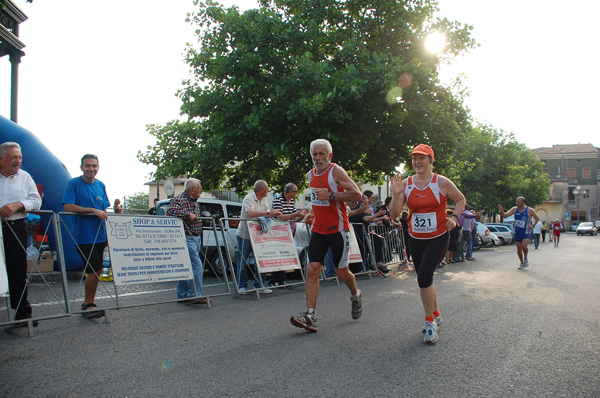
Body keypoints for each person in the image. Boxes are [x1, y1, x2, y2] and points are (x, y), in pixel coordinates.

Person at [390, 143, 466, 344]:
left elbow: (460, 199)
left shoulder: (441, 182)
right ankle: (436, 312)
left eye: (422, 158)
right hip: (415, 237)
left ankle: (429, 322)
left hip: (438, 236)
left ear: (431, 161)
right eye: (414, 158)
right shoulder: (406, 184)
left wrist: (455, 217)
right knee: (425, 279)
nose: (417, 162)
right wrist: (397, 194)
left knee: (424, 277)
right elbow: (394, 213)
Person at [290, 139, 363, 333]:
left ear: (330, 156)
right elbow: (317, 201)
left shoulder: (336, 171)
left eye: (322, 154)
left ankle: (356, 295)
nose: (318, 158)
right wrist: (311, 214)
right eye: (315, 154)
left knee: (341, 273)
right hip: (319, 230)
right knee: (313, 268)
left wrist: (331, 195)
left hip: (339, 230)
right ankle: (310, 315)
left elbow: (356, 194)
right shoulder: (310, 175)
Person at [62, 154, 111, 319]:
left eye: (94, 166)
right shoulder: (74, 183)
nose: (91, 169)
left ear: (98, 167)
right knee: (95, 268)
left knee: (97, 270)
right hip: (83, 236)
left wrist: (109, 235)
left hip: (100, 236)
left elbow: (104, 211)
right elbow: (67, 206)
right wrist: (91, 210)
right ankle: (88, 304)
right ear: (81, 167)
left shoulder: (101, 185)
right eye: (88, 166)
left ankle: (89, 303)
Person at [0, 142, 42, 327]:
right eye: (13, 157)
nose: (18, 161)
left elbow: (36, 201)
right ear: (1, 159)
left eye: (20, 157)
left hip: (15, 226)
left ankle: (22, 313)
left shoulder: (25, 177)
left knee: (17, 270)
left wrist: (17, 205)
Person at [167, 178, 209, 304]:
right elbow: (170, 211)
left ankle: (183, 295)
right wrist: (187, 214)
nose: (201, 190)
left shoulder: (195, 201)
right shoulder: (180, 199)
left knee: (187, 266)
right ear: (192, 189)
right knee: (196, 265)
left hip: (195, 236)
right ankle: (194, 294)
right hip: (187, 236)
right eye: (199, 187)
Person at [236, 180, 282, 294]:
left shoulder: (264, 199)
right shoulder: (249, 198)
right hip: (245, 234)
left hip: (258, 235)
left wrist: (273, 213)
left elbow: (267, 212)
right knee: (242, 261)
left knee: (261, 260)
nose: (268, 191)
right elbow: (251, 213)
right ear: (261, 190)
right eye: (267, 189)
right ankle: (242, 286)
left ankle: (259, 285)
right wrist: (268, 213)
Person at [267, 183, 307, 287]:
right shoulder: (278, 199)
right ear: (290, 192)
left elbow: (294, 217)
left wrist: (302, 216)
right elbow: (280, 217)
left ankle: (281, 279)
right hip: (278, 231)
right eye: (295, 191)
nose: (297, 193)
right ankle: (273, 280)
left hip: (289, 232)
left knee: (285, 254)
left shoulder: (292, 201)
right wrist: (296, 214)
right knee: (277, 255)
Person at [497, 197, 540, 269]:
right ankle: (521, 262)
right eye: (516, 202)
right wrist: (501, 211)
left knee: (524, 246)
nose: (517, 203)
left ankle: (526, 258)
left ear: (523, 202)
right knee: (519, 248)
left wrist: (532, 225)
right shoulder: (514, 209)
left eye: (519, 202)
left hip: (526, 231)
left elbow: (537, 218)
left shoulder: (529, 210)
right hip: (517, 231)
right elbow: (505, 215)